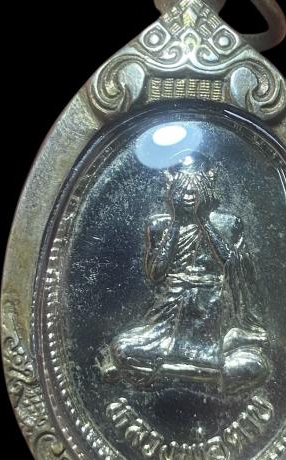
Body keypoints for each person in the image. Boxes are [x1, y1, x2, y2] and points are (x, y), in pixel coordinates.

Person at [96, 152, 269, 395]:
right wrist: (177, 222)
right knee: (122, 348)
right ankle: (204, 375)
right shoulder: (159, 226)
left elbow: (232, 266)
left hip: (213, 314)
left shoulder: (228, 224)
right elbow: (156, 273)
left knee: (256, 366)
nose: (189, 196)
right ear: (172, 191)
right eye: (183, 190)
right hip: (168, 315)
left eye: (195, 190)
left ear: (207, 190)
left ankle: (168, 372)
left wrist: (204, 221)